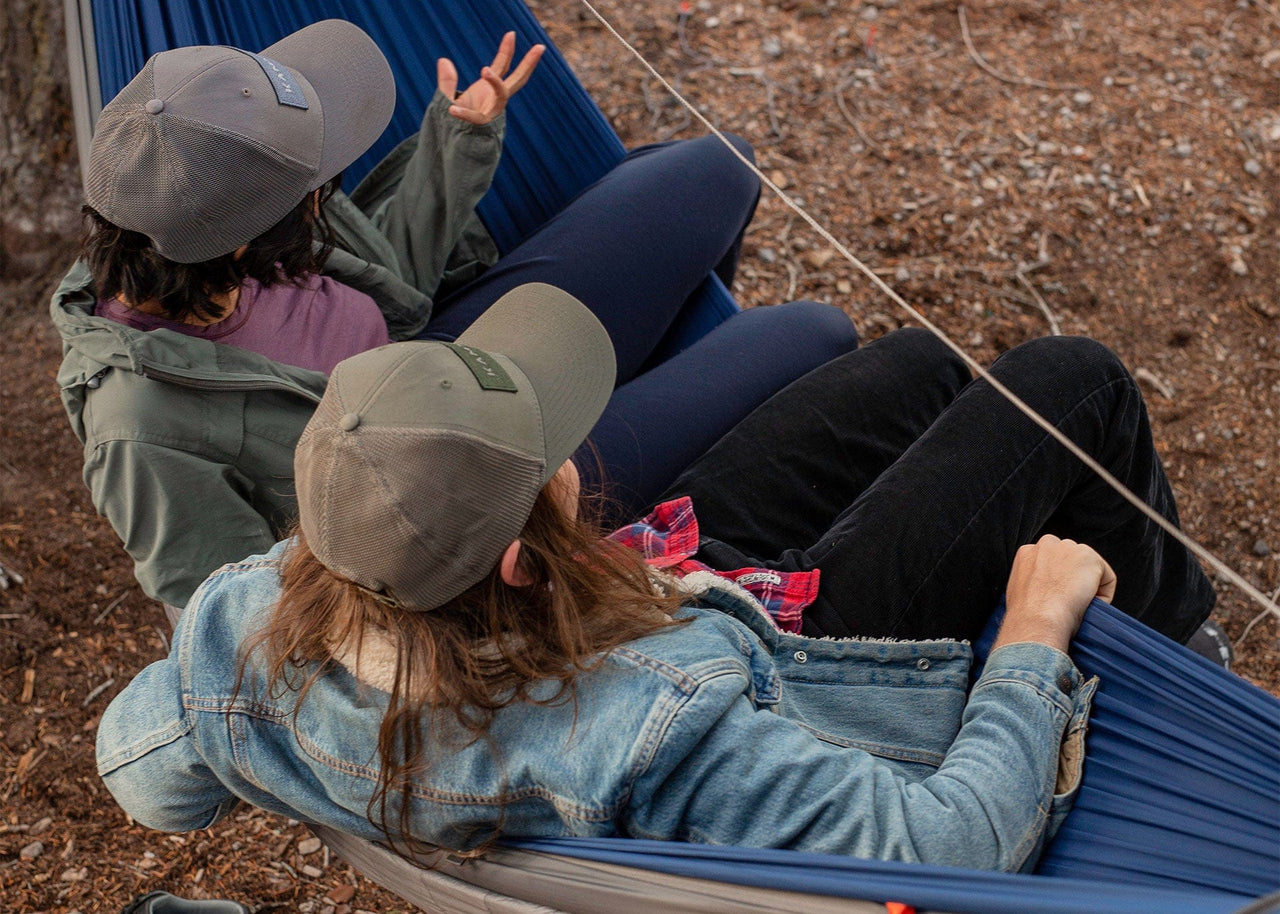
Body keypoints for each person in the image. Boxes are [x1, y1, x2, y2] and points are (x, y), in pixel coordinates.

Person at [96, 283, 1214, 875]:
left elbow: (142, 777)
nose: (578, 456)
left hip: (639, 600)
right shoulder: (665, 735)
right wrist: (1030, 638)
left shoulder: (244, 633)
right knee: (1072, 385)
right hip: (784, 657)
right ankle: (1174, 650)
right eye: (552, 460)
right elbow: (950, 843)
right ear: (521, 554)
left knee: (920, 367)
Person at [52, 19, 857, 609]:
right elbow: (232, 613)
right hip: (460, 471)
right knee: (816, 334)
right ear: (249, 238)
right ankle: (661, 469)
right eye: (318, 183)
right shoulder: (142, 426)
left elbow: (389, 284)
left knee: (717, 172)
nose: (328, 185)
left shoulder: (183, 214)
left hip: (453, 341)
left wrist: (454, 144)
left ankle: (668, 386)